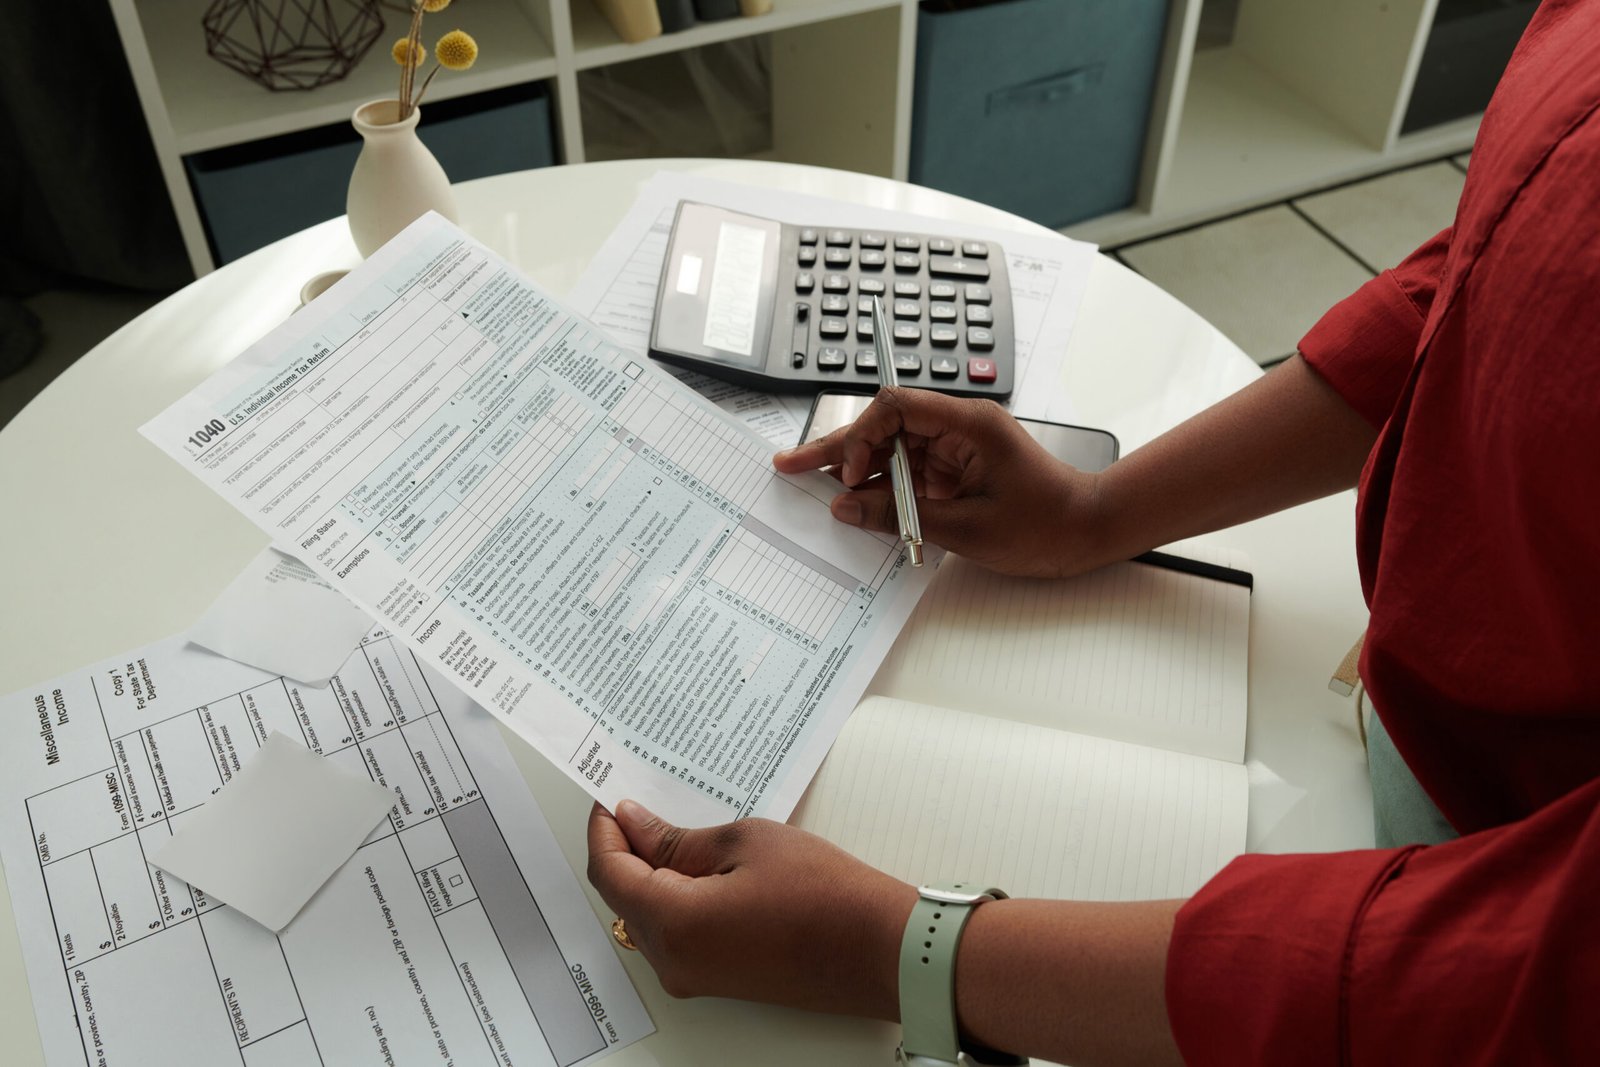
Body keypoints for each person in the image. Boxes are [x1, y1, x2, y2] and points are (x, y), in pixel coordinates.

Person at [587, 2, 1600, 1062]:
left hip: (1467, 906)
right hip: (1415, 714)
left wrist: (895, 952)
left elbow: (1530, 975)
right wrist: (1096, 511)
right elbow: (1484, 273)